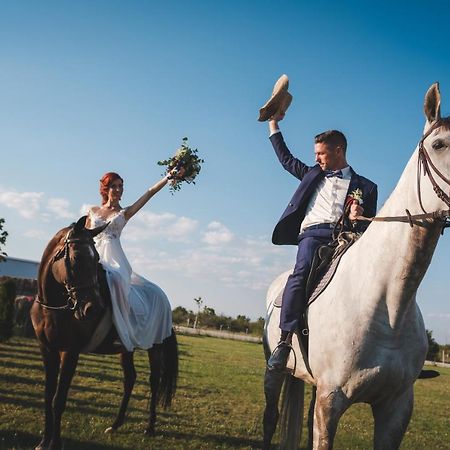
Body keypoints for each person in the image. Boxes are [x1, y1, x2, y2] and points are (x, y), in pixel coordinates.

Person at [266, 111, 377, 372]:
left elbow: (368, 227)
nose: (316, 158)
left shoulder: (367, 187)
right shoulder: (311, 174)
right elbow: (285, 159)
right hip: (313, 236)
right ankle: (284, 342)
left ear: (339, 150)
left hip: (346, 239)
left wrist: (360, 218)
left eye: (321, 154)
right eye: (316, 154)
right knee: (301, 273)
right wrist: (273, 124)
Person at [85, 168, 184, 352]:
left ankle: (118, 330)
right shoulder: (92, 210)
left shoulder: (124, 213)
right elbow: (85, 236)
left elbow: (150, 193)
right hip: (93, 254)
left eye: (121, 186)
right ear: (105, 189)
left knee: (114, 281)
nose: (118, 189)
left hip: (114, 260)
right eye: (114, 186)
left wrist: (169, 176)